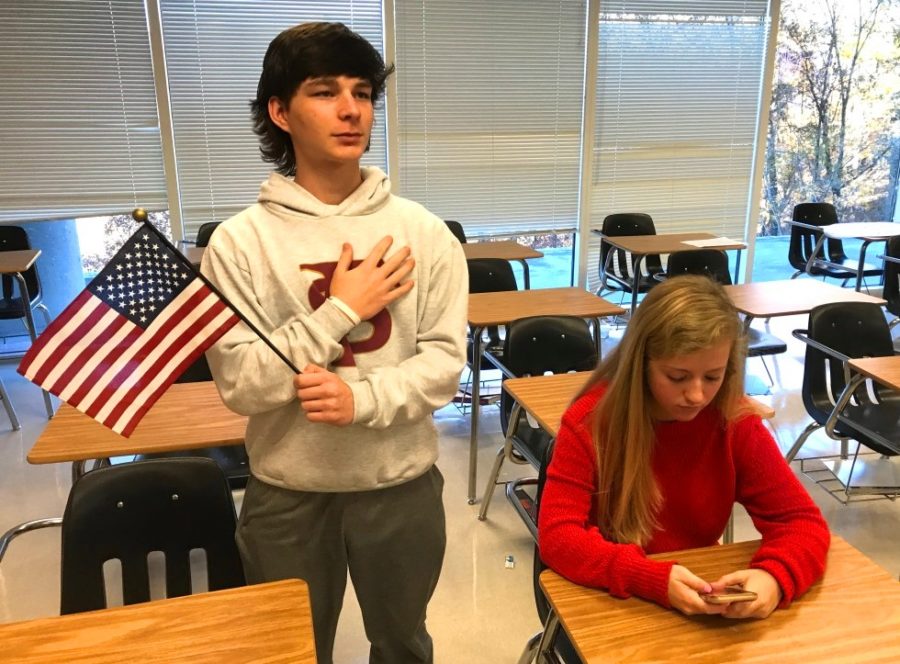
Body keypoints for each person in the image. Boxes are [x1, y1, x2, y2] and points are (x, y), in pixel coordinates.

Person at [200, 22, 468, 664]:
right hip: (287, 491)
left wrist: (361, 401)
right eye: (324, 92)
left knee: (403, 644)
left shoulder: (424, 233)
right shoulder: (239, 244)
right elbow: (241, 385)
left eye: (363, 92)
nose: (351, 109)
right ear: (279, 111)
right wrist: (342, 309)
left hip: (399, 485)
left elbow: (442, 366)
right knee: (288, 651)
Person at [538, 275, 830, 620]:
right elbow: (558, 536)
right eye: (677, 377)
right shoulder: (591, 422)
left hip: (693, 600)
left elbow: (802, 522)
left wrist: (774, 577)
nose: (696, 395)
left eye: (712, 377)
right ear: (641, 365)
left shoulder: (734, 423)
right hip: (609, 600)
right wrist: (649, 577)